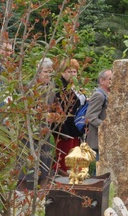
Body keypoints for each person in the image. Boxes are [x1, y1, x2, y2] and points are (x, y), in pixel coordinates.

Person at [18, 58, 56, 189]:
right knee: (27, 159)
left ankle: (42, 189)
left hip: (45, 129)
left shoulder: (51, 87)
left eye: (51, 72)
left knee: (45, 158)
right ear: (38, 72)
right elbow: (24, 109)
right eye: (46, 72)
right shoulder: (30, 87)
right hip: (30, 128)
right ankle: (22, 189)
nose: (48, 75)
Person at [52, 58, 86, 177]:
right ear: (62, 72)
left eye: (74, 72)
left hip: (75, 128)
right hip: (64, 129)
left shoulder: (74, 87)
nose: (72, 74)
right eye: (69, 72)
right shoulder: (59, 87)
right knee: (65, 160)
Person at [85, 69, 112, 161]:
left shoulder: (109, 94)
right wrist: (106, 127)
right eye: (110, 79)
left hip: (106, 141)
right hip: (98, 141)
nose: (113, 81)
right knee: (99, 172)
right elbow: (90, 116)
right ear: (102, 81)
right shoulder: (99, 95)